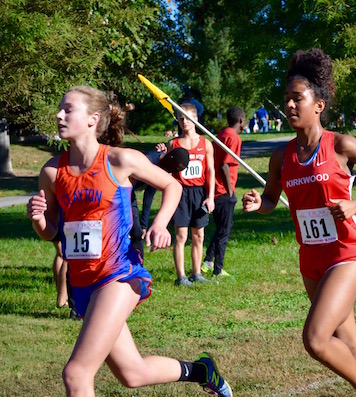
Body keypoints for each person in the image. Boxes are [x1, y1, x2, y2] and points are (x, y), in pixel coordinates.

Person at [26, 86, 232, 396]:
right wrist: (40, 219)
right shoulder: (53, 172)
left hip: (119, 276)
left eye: (68, 109)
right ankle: (202, 370)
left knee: (76, 374)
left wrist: (161, 224)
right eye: (60, 108)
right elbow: (52, 233)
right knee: (132, 373)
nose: (58, 115)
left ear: (93, 119)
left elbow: (170, 185)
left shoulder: (120, 160)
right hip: (83, 284)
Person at [242, 48, 356, 397]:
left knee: (316, 339)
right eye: (286, 100)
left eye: (297, 98)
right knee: (350, 345)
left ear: (319, 105)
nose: (289, 106)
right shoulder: (281, 156)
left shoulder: (341, 145)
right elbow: (271, 199)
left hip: (346, 253)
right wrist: (259, 204)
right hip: (311, 257)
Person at [158, 103, 216, 286]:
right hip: (180, 192)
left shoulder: (206, 144)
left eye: (188, 118)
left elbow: (211, 171)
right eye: (181, 118)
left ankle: (197, 273)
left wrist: (211, 196)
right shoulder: (173, 144)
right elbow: (165, 169)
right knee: (180, 235)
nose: (184, 122)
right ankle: (181, 276)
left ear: (195, 119)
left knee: (199, 235)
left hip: (199, 193)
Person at [202, 107, 245, 279]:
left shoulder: (221, 134)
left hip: (215, 188)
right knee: (224, 232)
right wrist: (230, 191)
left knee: (223, 228)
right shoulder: (233, 138)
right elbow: (225, 165)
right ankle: (218, 270)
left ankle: (208, 262)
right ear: (241, 120)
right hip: (222, 190)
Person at [130, 148, 190, 260]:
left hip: (129, 193)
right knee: (132, 232)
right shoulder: (149, 160)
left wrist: (144, 225)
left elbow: (149, 195)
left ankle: (137, 265)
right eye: (176, 168)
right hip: (121, 192)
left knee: (137, 232)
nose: (174, 172)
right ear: (170, 158)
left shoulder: (161, 166)